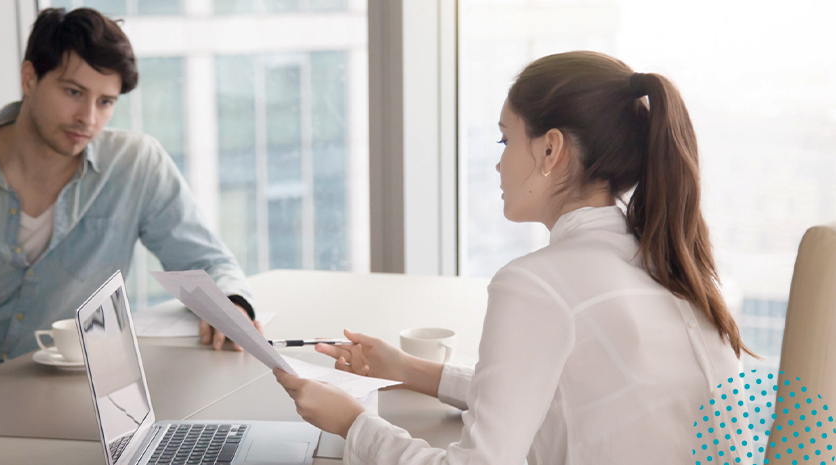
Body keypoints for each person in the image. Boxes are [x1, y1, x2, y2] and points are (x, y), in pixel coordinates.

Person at [274, 51, 756, 464]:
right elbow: (555, 396)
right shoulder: (661, 260)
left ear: (551, 149)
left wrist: (353, 422)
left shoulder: (537, 283)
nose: (499, 162)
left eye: (505, 140)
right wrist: (410, 370)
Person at [0, 7, 259, 386]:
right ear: (29, 78)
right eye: (73, 92)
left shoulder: (136, 164)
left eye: (105, 102)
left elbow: (205, 261)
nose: (88, 118)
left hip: (69, 389)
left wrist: (229, 303)